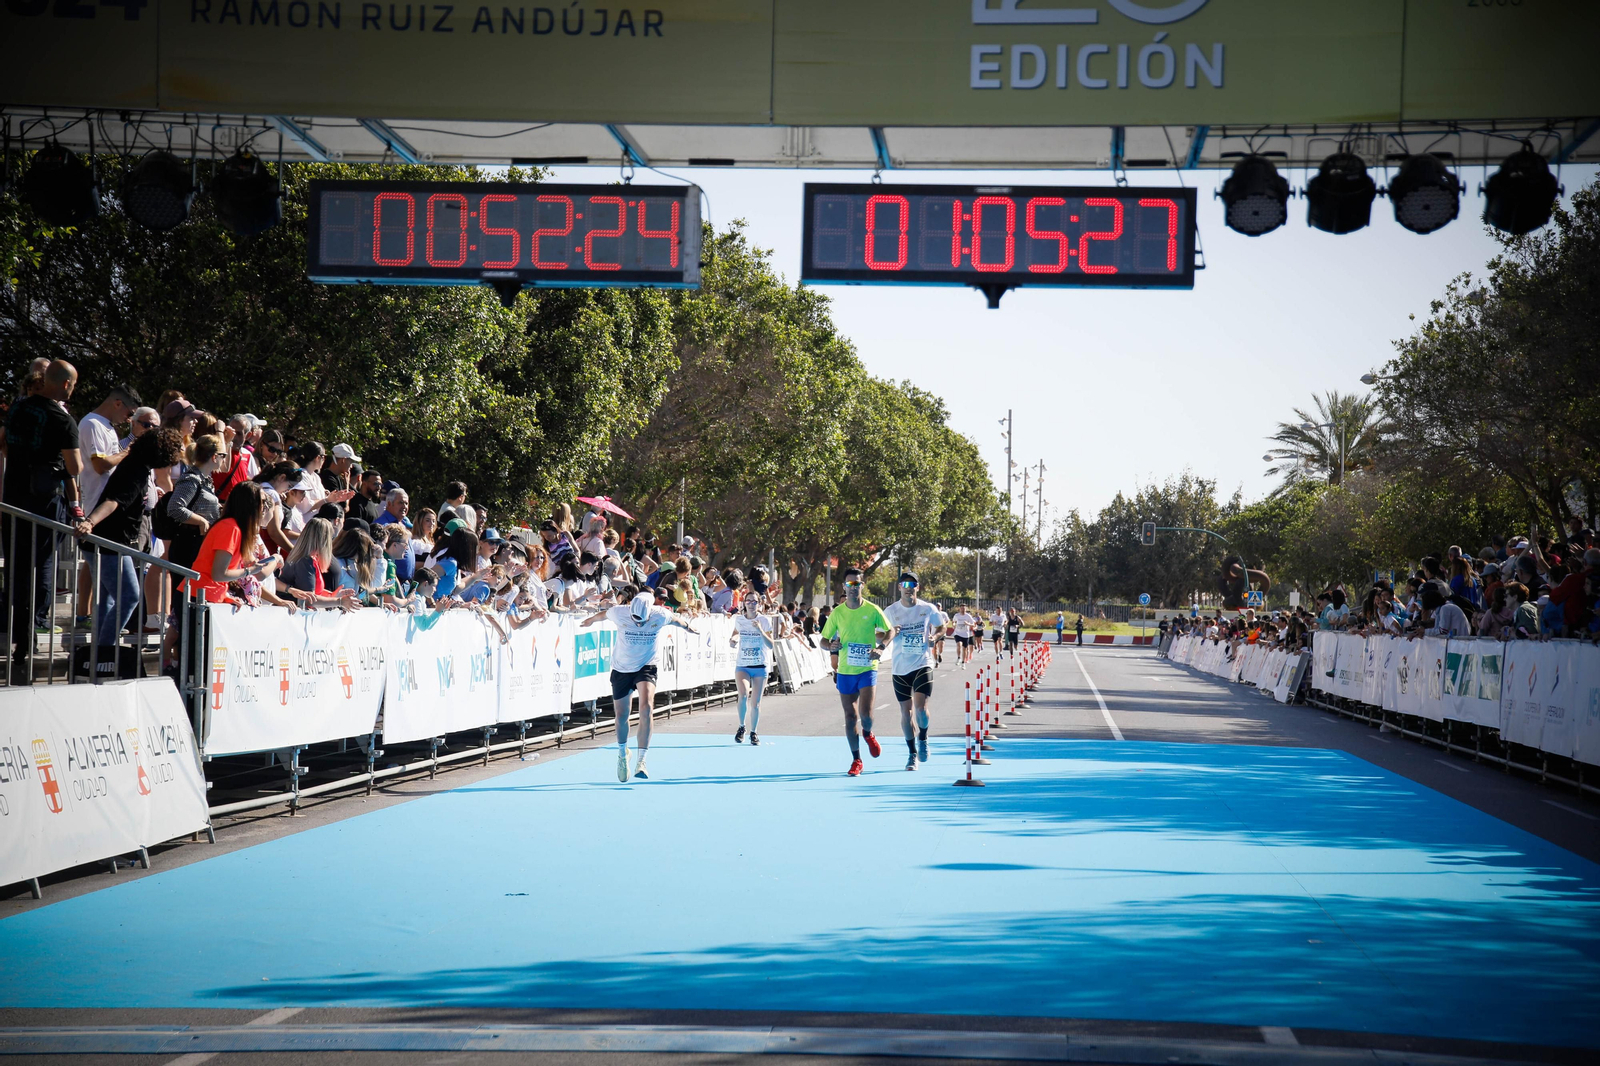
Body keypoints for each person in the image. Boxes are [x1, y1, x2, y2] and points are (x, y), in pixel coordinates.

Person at [4, 360, 83, 667]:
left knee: (16, 569)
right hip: (43, 501)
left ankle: (17, 637)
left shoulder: (18, 409)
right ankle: (29, 636)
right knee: (41, 567)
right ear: (65, 384)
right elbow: (75, 467)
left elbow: (7, 447)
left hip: (13, 498)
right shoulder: (61, 418)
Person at [78, 428, 183, 648]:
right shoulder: (136, 471)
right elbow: (114, 501)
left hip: (107, 540)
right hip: (110, 540)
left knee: (106, 598)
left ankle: (100, 652)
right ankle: (105, 649)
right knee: (129, 596)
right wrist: (90, 522)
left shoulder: (138, 467)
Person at [582, 591, 700, 782]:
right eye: (635, 619)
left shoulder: (660, 614)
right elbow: (603, 615)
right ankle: (622, 754)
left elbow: (678, 620)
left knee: (647, 708)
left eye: (641, 620)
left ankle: (642, 760)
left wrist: (689, 627)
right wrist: (590, 620)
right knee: (622, 715)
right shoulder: (620, 612)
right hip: (621, 668)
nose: (638, 623)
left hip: (646, 666)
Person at [819, 567, 892, 777]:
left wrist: (881, 647)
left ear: (862, 585)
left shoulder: (872, 610)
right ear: (844, 586)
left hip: (867, 668)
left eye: (857, 584)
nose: (853, 588)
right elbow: (823, 639)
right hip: (845, 670)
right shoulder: (838, 612)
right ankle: (856, 760)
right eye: (849, 584)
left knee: (866, 715)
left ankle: (868, 734)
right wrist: (830, 646)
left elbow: (890, 630)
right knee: (850, 717)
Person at [182, 481, 282, 607]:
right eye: (262, 501)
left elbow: (255, 572)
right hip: (199, 597)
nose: (264, 507)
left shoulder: (236, 528)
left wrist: (224, 596)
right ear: (249, 503)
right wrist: (249, 570)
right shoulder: (230, 527)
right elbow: (219, 574)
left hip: (209, 596)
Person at [883, 571, 941, 770]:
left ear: (918, 587)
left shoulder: (928, 608)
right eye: (904, 584)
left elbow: (941, 627)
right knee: (906, 714)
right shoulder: (890, 611)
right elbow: (879, 635)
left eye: (912, 584)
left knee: (920, 710)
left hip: (922, 663)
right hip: (900, 667)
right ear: (899, 587)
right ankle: (911, 754)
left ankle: (923, 738)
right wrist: (890, 634)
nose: (909, 587)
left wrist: (936, 637)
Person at [730, 593, 776, 744]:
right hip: (743, 664)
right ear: (744, 603)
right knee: (743, 696)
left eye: (754, 602)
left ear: (759, 604)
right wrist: (733, 640)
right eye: (748, 601)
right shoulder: (740, 620)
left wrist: (760, 630)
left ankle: (754, 732)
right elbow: (735, 634)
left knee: (755, 703)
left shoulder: (764, 620)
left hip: (760, 665)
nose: (751, 604)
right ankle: (741, 726)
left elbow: (770, 645)